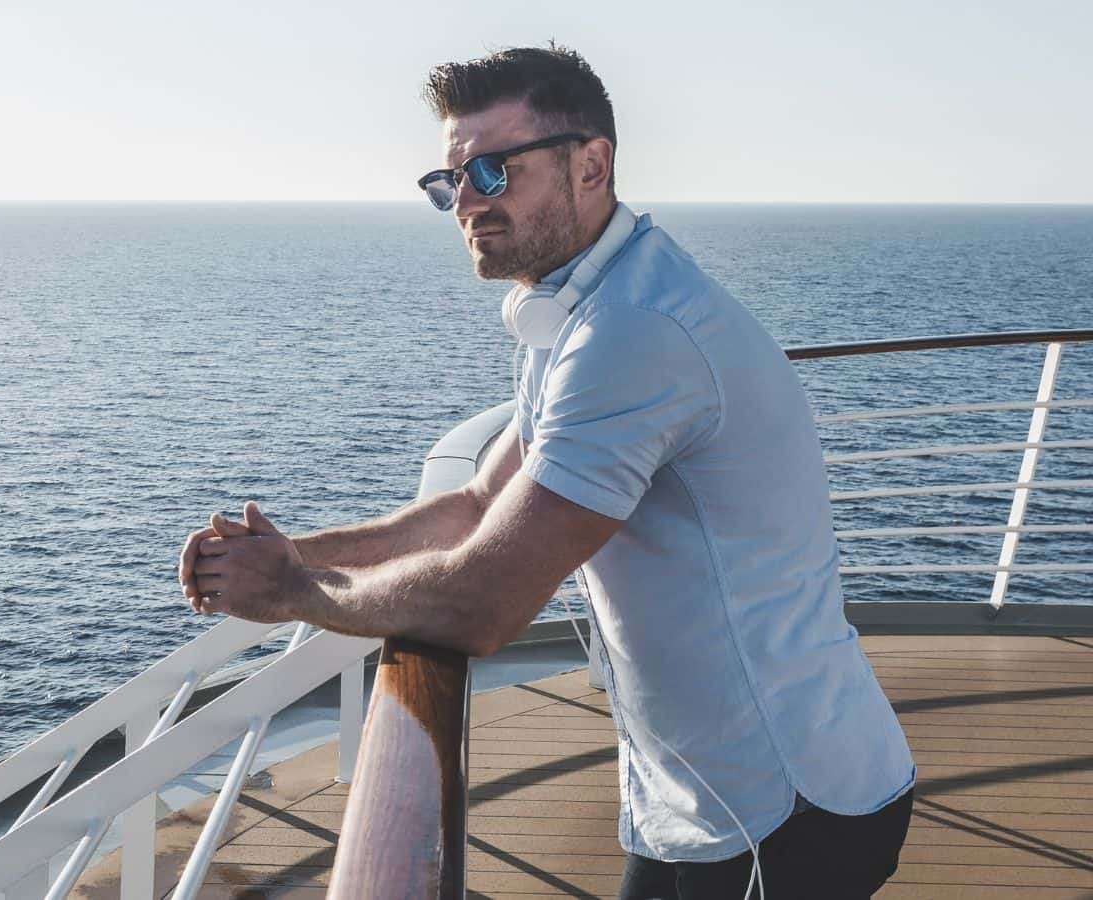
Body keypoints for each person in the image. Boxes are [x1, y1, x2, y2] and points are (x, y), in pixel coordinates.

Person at [177, 45, 915, 899]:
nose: (469, 201)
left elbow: (481, 601)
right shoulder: (579, 306)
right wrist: (291, 553)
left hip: (786, 807)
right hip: (690, 795)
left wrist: (289, 597)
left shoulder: (633, 334)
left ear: (591, 163)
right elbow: (478, 504)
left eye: (494, 169)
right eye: (451, 180)